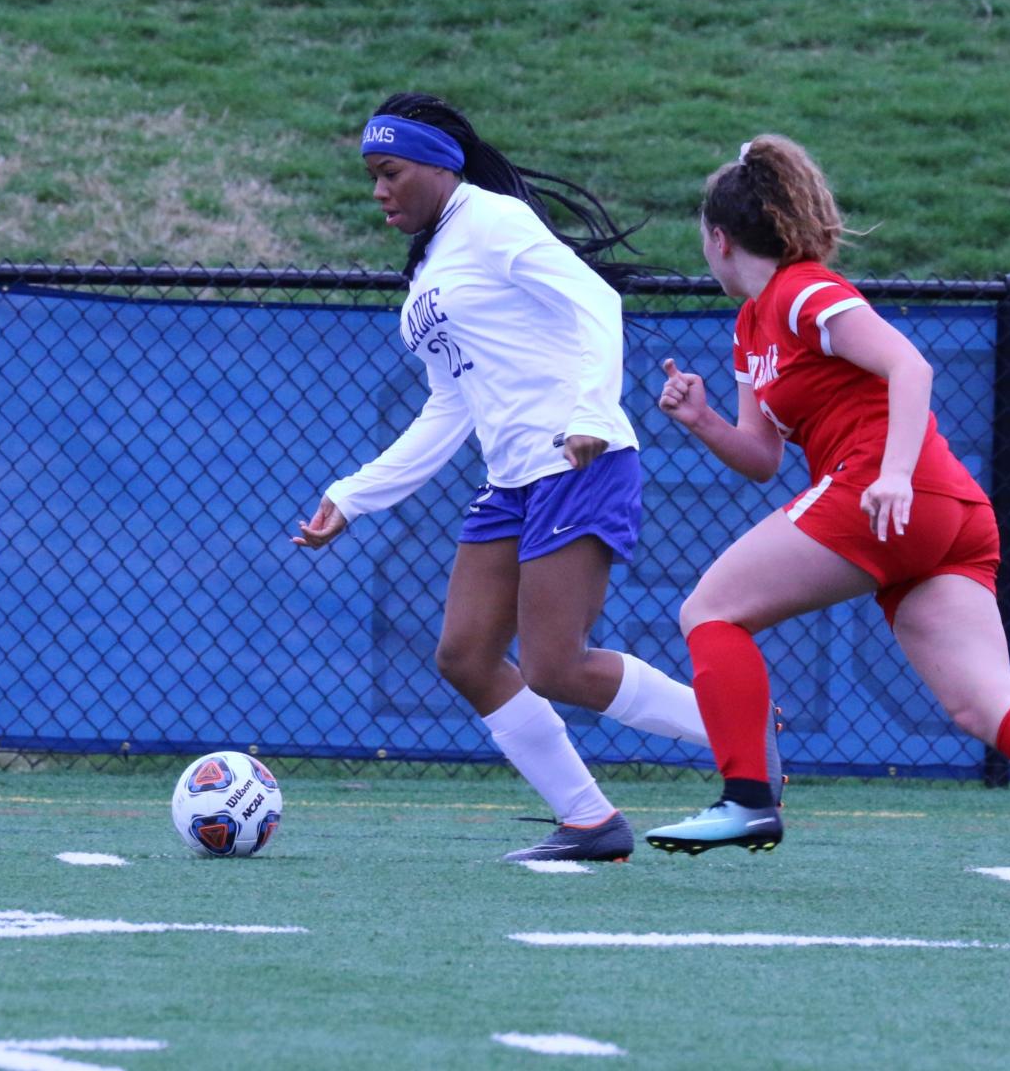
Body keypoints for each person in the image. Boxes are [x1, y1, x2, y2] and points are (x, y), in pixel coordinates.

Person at [645, 134, 1010, 903]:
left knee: (710, 611)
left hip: (890, 492)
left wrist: (892, 474)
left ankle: (748, 803)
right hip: (940, 513)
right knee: (980, 702)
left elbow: (909, 365)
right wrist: (700, 421)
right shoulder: (750, 326)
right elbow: (761, 456)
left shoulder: (804, 291)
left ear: (718, 237)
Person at [292, 92, 767, 863]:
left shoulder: (491, 221)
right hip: (512, 482)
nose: (378, 190)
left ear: (440, 166)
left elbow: (596, 299)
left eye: (390, 172)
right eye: (371, 177)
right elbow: (448, 409)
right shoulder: (429, 273)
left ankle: (740, 734)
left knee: (555, 665)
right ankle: (588, 821)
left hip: (579, 460)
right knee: (465, 656)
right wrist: (354, 495)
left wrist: (587, 409)